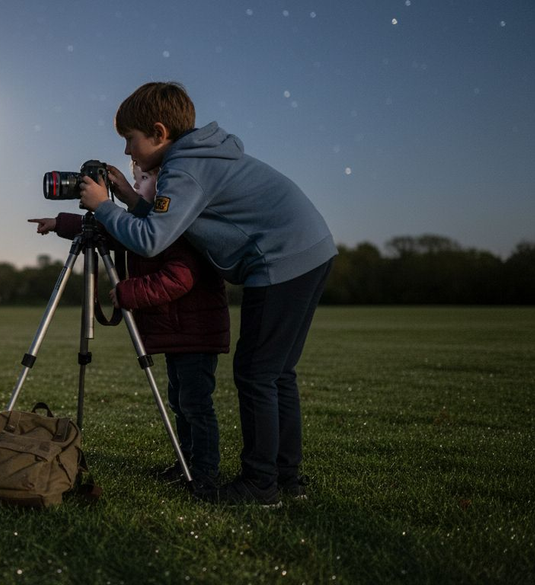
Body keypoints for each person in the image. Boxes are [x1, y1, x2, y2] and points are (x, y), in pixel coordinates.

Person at [78, 81, 336, 507]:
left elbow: (151, 241)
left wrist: (103, 207)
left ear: (159, 133)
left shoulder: (184, 168)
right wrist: (127, 197)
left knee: (256, 373)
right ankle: (286, 479)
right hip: (308, 249)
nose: (127, 151)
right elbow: (174, 223)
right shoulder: (198, 156)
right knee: (276, 373)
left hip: (280, 258)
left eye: (130, 139)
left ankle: (261, 485)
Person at [28, 163, 230, 493]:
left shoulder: (178, 223)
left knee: (195, 405)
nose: (135, 185)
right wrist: (59, 223)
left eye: (143, 179)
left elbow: (179, 278)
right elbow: (110, 230)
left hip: (196, 332)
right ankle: (187, 462)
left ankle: (204, 470)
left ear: (167, 185)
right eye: (135, 180)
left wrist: (128, 292)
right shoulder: (148, 221)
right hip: (179, 332)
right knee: (181, 402)